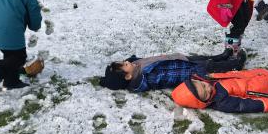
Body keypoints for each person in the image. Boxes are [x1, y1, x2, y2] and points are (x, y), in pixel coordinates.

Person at [99, 51, 246, 92]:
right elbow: (168, 76)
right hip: (185, 70)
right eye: (125, 64)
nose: (127, 62)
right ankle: (235, 65)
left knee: (203, 58)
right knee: (208, 66)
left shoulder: (135, 65)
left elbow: (133, 62)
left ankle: (221, 56)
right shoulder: (147, 77)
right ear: (128, 76)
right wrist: (190, 72)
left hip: (178, 59)